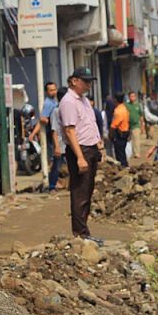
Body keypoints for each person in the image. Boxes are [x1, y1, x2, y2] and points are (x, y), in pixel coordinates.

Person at [59, 67, 103, 238]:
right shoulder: (68, 101)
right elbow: (70, 131)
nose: (88, 85)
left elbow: (90, 123)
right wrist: (80, 157)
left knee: (88, 191)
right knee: (80, 193)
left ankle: (84, 231)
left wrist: (99, 146)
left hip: (90, 147)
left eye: (90, 81)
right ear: (74, 81)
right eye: (85, 81)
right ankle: (80, 233)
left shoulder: (83, 100)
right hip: (80, 149)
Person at [29, 82, 60, 191]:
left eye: (54, 89)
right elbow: (42, 119)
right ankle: (52, 183)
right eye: (51, 90)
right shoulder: (48, 103)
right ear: (47, 92)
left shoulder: (55, 101)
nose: (53, 92)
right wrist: (33, 134)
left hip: (57, 133)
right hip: (53, 134)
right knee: (55, 159)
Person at [109, 92, 131, 166]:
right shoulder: (125, 108)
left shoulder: (118, 111)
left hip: (119, 134)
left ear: (115, 100)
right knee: (122, 152)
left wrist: (110, 135)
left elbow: (114, 125)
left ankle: (123, 167)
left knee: (119, 154)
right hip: (125, 133)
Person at [125, 91, 144, 157]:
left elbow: (141, 116)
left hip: (136, 125)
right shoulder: (126, 105)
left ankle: (137, 153)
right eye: (130, 96)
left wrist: (142, 126)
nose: (132, 97)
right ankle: (130, 153)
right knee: (129, 140)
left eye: (133, 96)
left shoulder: (138, 105)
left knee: (136, 140)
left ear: (135, 97)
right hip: (127, 126)